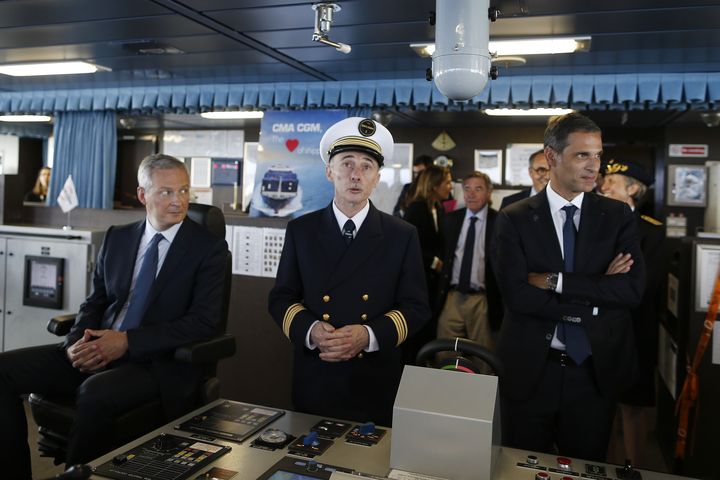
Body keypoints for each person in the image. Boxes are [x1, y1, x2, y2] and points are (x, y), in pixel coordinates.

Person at [0, 154, 227, 478]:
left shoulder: (208, 248)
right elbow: (96, 301)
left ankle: (75, 476)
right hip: (96, 345)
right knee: (3, 370)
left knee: (95, 394)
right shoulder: (118, 237)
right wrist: (76, 342)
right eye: (165, 192)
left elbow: (204, 321)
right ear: (142, 195)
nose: (178, 201)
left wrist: (126, 342)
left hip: (154, 362)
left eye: (184, 190)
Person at [493, 112, 645, 462]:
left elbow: (631, 291)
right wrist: (597, 293)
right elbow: (517, 296)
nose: (594, 166)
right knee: (521, 467)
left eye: (597, 155)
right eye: (582, 155)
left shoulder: (617, 216)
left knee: (587, 466)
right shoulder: (514, 217)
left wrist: (555, 281)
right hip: (532, 370)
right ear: (551, 156)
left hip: (593, 374)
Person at [268, 117, 430, 426]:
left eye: (366, 166)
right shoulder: (301, 230)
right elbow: (281, 297)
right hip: (317, 373)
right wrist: (311, 331)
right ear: (329, 172)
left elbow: (416, 307)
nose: (355, 175)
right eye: (346, 163)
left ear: (377, 177)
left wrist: (367, 335)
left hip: (374, 378)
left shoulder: (402, 234)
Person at [600, 159, 664, 468]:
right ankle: (608, 471)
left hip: (635, 332)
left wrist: (606, 282)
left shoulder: (652, 233)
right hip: (600, 331)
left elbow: (641, 288)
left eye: (612, 182)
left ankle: (634, 470)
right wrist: (609, 280)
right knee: (604, 408)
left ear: (633, 189)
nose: (604, 186)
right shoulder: (595, 228)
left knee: (632, 408)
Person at [436, 172, 502, 373]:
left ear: (489, 192)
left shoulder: (499, 221)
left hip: (482, 300)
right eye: (467, 189)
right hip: (452, 296)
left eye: (478, 189)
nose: (471, 194)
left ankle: (482, 400)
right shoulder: (450, 220)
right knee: (444, 351)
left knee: (483, 355)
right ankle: (444, 396)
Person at [402, 165, 453, 361]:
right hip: (418, 282)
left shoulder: (438, 208)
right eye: (447, 182)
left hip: (432, 284)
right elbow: (409, 247)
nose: (450, 187)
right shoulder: (417, 209)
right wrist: (433, 262)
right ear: (433, 185)